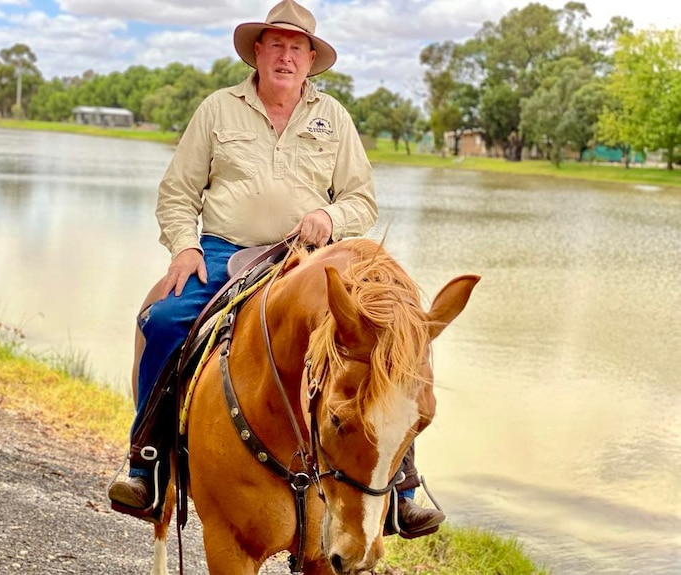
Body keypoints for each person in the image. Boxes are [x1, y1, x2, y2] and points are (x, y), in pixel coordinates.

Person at [107, 0, 443, 538]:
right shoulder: (218, 109)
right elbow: (177, 193)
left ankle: (402, 485)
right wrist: (184, 248)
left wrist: (326, 216)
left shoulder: (333, 118)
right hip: (223, 252)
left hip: (306, 260)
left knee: (388, 340)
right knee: (163, 321)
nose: (286, 57)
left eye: (297, 48)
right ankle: (145, 458)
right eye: (277, 45)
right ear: (258, 52)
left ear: (311, 60)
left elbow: (361, 201)